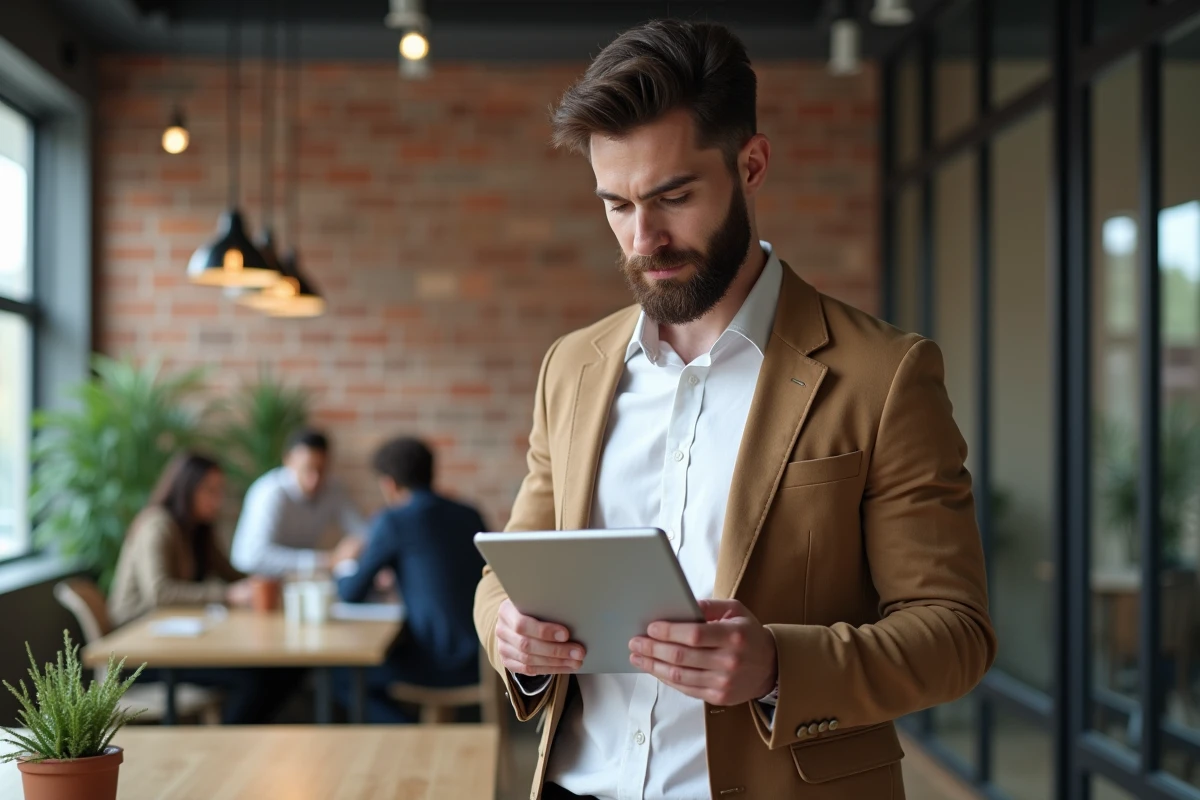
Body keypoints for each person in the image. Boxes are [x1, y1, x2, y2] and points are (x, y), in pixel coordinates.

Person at [473, 19, 997, 800]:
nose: (642, 238)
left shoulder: (885, 376)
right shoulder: (573, 368)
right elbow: (508, 571)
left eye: (673, 196)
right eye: (615, 205)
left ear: (751, 165)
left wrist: (779, 664)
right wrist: (508, 631)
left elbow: (955, 633)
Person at [108, 452, 299, 724]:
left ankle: (248, 742)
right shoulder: (157, 525)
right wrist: (229, 595)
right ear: (187, 488)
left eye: (220, 490)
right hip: (140, 653)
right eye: (210, 490)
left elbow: (231, 575)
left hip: (176, 643)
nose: (217, 499)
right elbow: (160, 592)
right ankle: (232, 746)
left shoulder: (198, 529)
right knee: (253, 679)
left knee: (282, 670)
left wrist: (269, 582)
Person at [332, 437, 487, 723]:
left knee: (341, 678)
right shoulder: (470, 514)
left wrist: (344, 562)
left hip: (437, 663)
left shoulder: (393, 521)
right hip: (485, 659)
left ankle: (413, 736)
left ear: (389, 484)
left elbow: (351, 592)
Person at [231, 428, 368, 577]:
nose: (314, 480)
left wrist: (355, 546)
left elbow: (361, 532)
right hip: (260, 582)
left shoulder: (333, 489)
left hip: (303, 582)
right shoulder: (270, 492)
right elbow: (252, 556)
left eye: (321, 470)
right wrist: (325, 560)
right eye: (307, 469)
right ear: (288, 460)